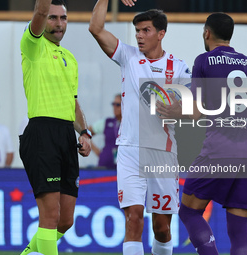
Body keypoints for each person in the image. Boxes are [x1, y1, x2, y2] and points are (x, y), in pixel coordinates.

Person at [89, 1, 191, 254]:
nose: (139, 36)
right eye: (137, 31)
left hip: (162, 152)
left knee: (162, 228)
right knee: (133, 218)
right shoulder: (128, 56)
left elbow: (190, 106)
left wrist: (176, 109)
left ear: (161, 34)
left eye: (145, 30)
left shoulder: (178, 67)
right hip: (129, 150)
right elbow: (95, 28)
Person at [158, 13, 247, 254]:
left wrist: (174, 109)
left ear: (207, 33)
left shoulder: (204, 61)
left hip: (219, 150)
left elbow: (195, 112)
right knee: (239, 231)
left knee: (188, 211)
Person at [19, 0, 92, 254]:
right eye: (52, 17)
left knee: (65, 221)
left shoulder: (69, 58)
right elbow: (39, 10)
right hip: (41, 133)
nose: (58, 23)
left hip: (65, 136)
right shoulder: (33, 45)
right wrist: (43, 8)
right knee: (49, 217)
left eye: (63, 18)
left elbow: (72, 102)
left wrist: (84, 132)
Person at [89, 93, 122, 169]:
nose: (114, 107)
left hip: (122, 167)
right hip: (105, 166)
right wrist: (96, 151)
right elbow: (87, 133)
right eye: (113, 104)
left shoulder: (129, 124)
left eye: (117, 105)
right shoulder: (107, 122)